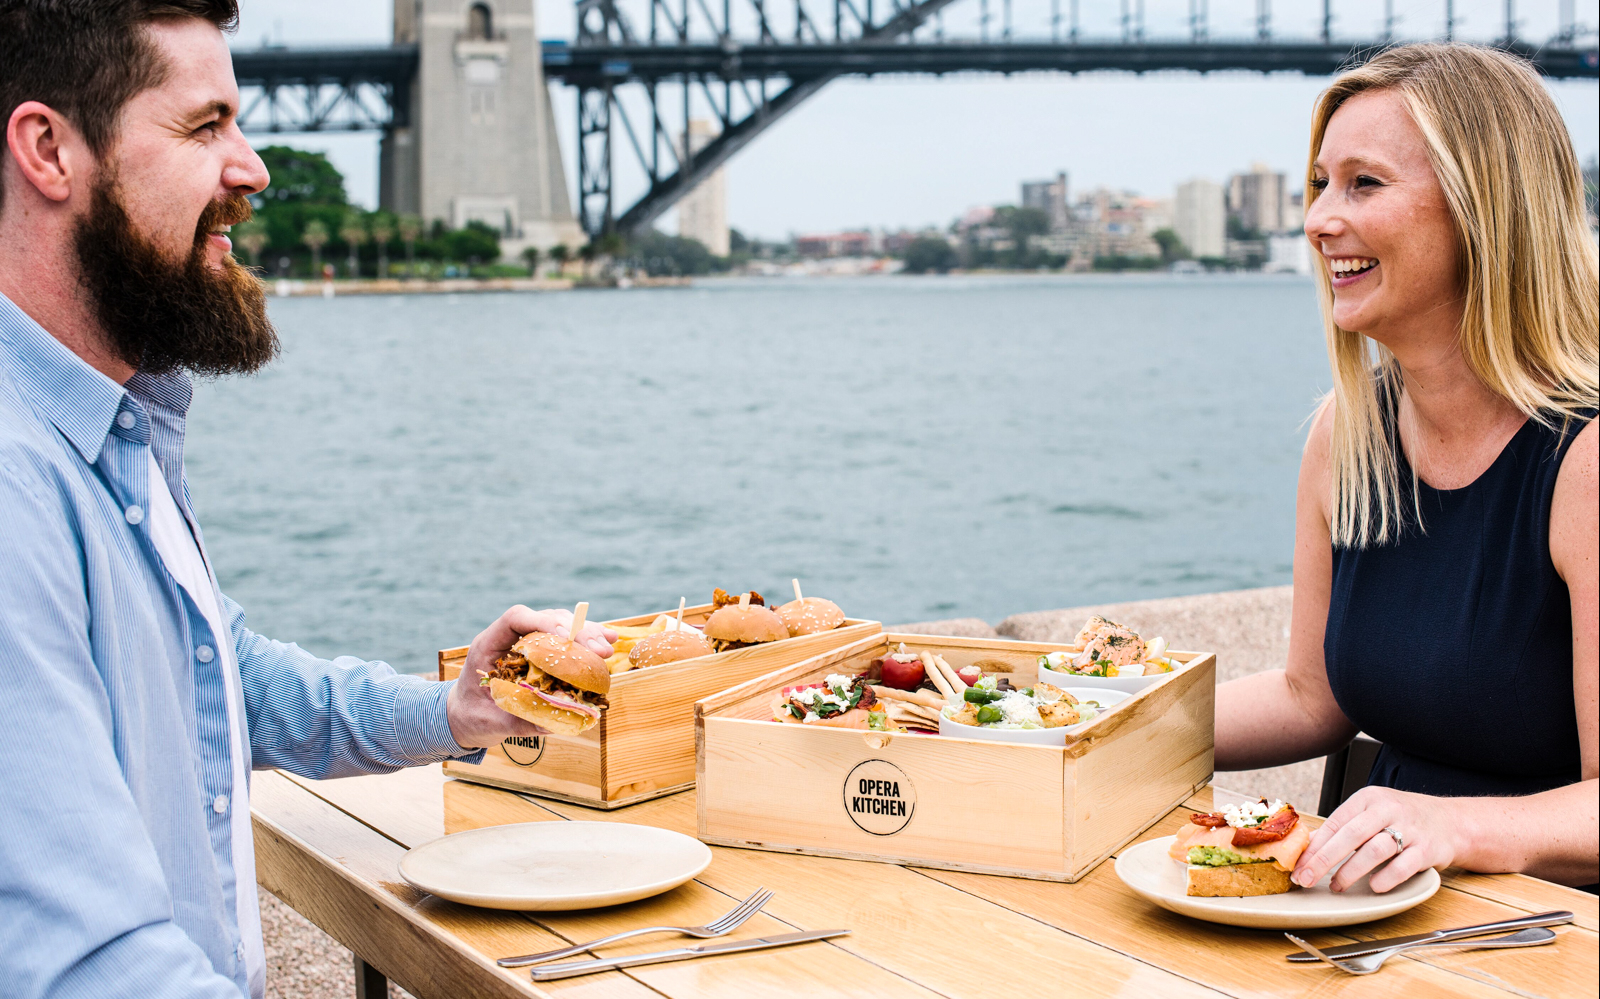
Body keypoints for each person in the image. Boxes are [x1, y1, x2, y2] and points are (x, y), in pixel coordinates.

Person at [0, 4, 614, 996]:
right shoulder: (15, 480)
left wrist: (454, 709)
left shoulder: (112, 422)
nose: (254, 169)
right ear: (48, 151)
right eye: (206, 128)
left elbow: (210, 673)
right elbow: (88, 966)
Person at [1216, 43, 1597, 894]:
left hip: (1547, 937)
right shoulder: (1345, 435)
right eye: (1320, 184)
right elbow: (1311, 697)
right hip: (1365, 921)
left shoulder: (1586, 458)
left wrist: (1449, 823)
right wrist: (1099, 718)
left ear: (1482, 209)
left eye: (1364, 183)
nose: (1317, 220)